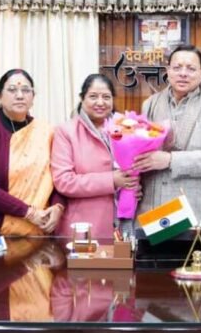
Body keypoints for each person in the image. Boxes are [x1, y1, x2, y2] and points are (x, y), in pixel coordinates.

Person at [133, 45, 201, 218]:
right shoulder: (150, 104)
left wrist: (171, 160)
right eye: (177, 67)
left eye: (191, 68)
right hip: (152, 207)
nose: (183, 73)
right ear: (168, 71)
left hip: (195, 209)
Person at [0, 69, 63, 237]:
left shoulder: (46, 131)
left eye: (26, 90)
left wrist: (58, 206)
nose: (20, 95)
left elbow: (58, 177)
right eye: (12, 90)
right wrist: (29, 213)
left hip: (40, 230)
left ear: (33, 97)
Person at [51, 74, 138, 239]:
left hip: (124, 224)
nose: (100, 102)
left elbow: (135, 169)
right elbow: (64, 181)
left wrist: (134, 186)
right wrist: (112, 180)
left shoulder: (127, 128)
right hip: (84, 225)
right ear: (82, 98)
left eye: (106, 97)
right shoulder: (66, 131)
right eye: (93, 96)